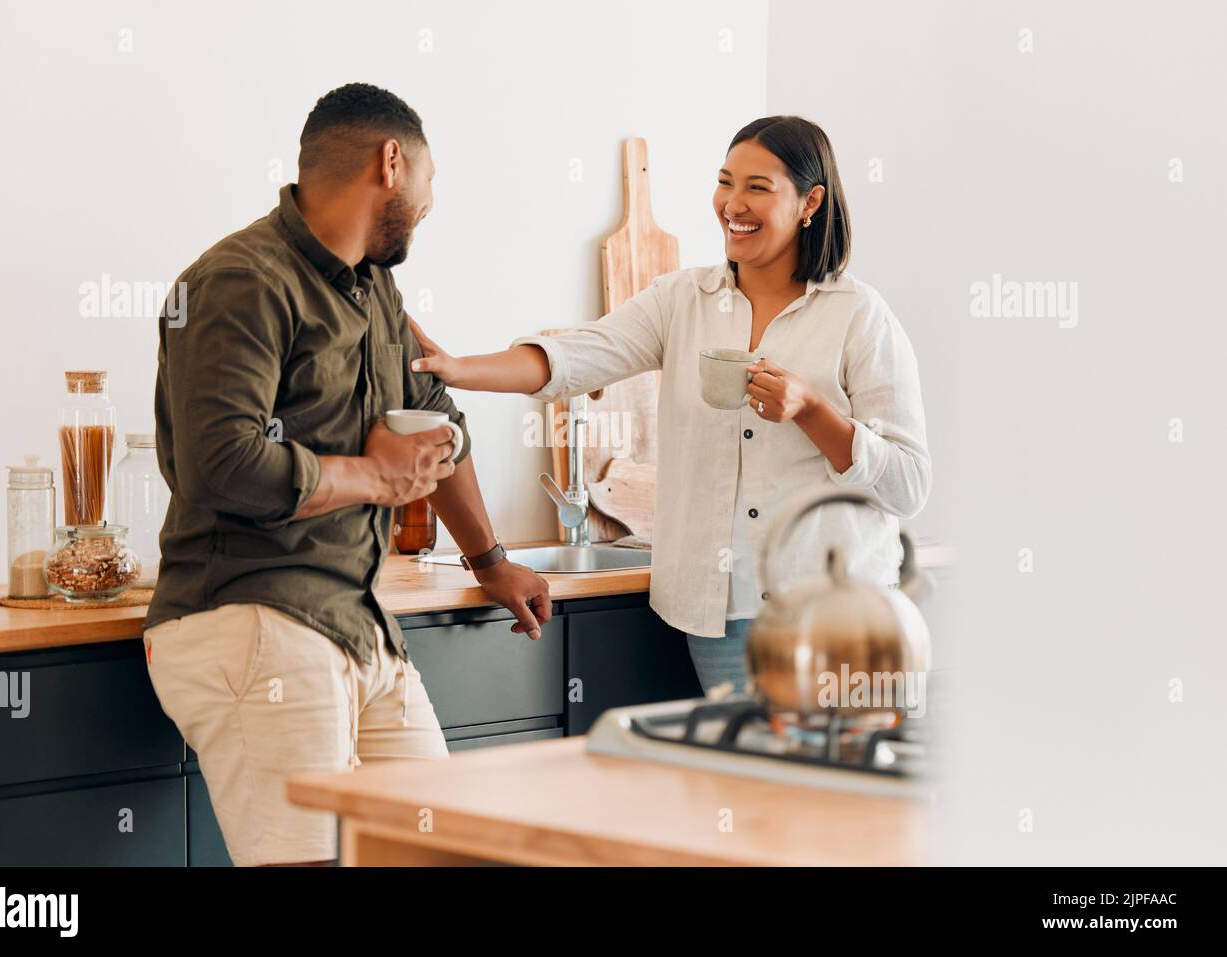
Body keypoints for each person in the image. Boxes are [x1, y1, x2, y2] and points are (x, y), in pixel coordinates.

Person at [142, 83, 551, 867]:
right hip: (252, 617)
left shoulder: (374, 290)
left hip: (356, 626)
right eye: (428, 180)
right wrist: (372, 475)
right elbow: (220, 464)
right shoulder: (238, 281)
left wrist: (491, 561)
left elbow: (438, 424)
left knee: (445, 851)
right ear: (391, 162)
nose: (431, 203)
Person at [408, 115, 931, 696]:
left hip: (836, 619)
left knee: (832, 785)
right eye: (725, 181)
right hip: (720, 620)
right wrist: (459, 369)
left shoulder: (859, 317)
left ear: (811, 202)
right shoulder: (682, 299)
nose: (733, 203)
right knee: (749, 781)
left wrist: (812, 411)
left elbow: (908, 485)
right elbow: (578, 355)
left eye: (758, 188)